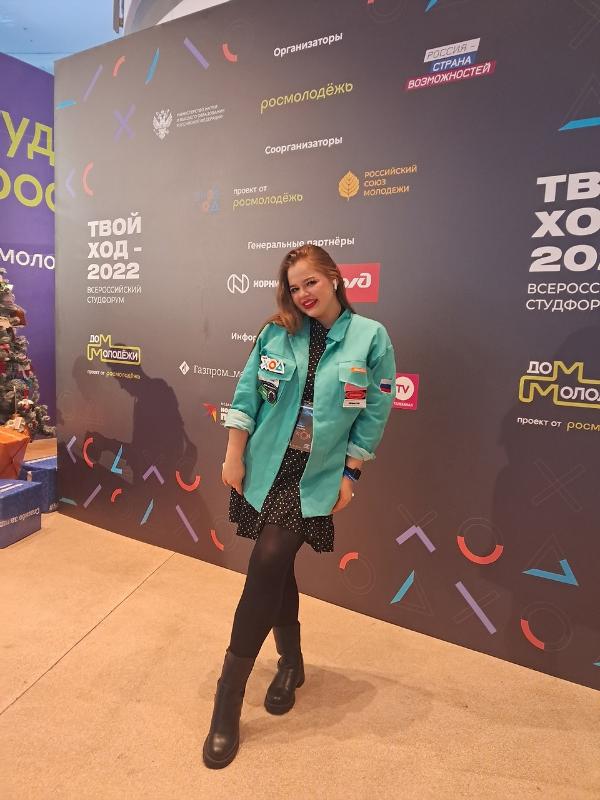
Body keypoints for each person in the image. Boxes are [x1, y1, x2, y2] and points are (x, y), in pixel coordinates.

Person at [202, 245, 396, 769]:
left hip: (315, 475)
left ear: (334, 278)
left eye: (311, 281)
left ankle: (228, 697)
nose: (303, 294)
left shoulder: (370, 337)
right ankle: (291, 663)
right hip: (265, 465)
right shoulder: (277, 332)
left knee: (267, 562)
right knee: (277, 568)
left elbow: (374, 412)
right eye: (294, 286)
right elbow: (247, 395)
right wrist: (233, 455)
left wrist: (352, 473)